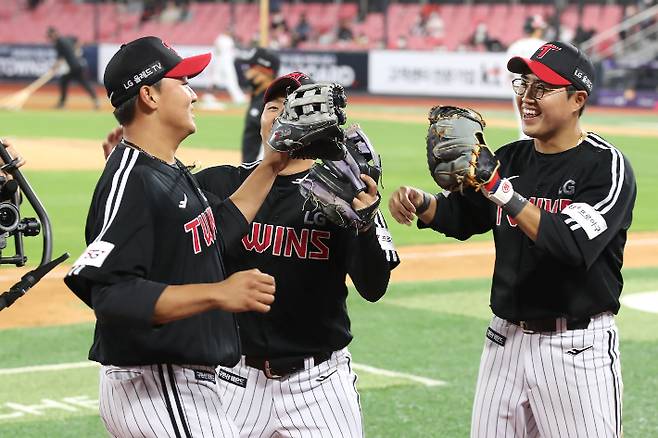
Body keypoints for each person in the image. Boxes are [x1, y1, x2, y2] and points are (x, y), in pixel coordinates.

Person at [389, 41, 636, 438]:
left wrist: (499, 187)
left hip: (574, 349)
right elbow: (463, 216)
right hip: (504, 341)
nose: (526, 98)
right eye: (523, 84)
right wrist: (423, 203)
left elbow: (570, 244)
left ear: (578, 99)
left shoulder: (605, 166)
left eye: (542, 89)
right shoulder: (512, 158)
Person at [64, 36, 291, 437]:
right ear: (149, 95)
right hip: (157, 382)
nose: (195, 94)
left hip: (175, 384)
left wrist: (271, 166)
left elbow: (213, 233)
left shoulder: (163, 169)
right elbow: (112, 295)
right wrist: (219, 293)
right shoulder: (133, 178)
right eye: (183, 82)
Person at [194, 72, 400, 437]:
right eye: (273, 107)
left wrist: (365, 224)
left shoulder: (344, 194)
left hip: (319, 382)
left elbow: (374, 286)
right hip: (234, 378)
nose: (281, 114)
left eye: (294, 107)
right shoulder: (219, 184)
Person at [506, 15, 547, 139]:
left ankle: (523, 149)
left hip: (520, 88)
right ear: (537, 29)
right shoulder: (545, 45)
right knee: (541, 123)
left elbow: (508, 74)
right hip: (541, 89)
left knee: (523, 123)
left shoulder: (516, 46)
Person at [239, 47, 280, 164]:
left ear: (265, 71)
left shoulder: (273, 102)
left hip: (259, 172)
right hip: (250, 171)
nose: (246, 73)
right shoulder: (258, 96)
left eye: (250, 67)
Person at [46, 27, 99, 110]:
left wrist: (53, 69)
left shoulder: (59, 44)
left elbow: (60, 59)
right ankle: (96, 101)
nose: (50, 39)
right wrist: (76, 50)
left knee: (79, 83)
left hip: (75, 67)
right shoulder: (67, 38)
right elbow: (77, 41)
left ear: (54, 34)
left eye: (50, 36)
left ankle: (62, 104)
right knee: (67, 81)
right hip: (78, 65)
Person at [210, 32, 247, 105]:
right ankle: (210, 96)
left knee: (219, 80)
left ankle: (238, 97)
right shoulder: (223, 39)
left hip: (223, 61)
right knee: (219, 80)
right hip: (223, 62)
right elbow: (218, 50)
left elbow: (222, 50)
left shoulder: (225, 39)